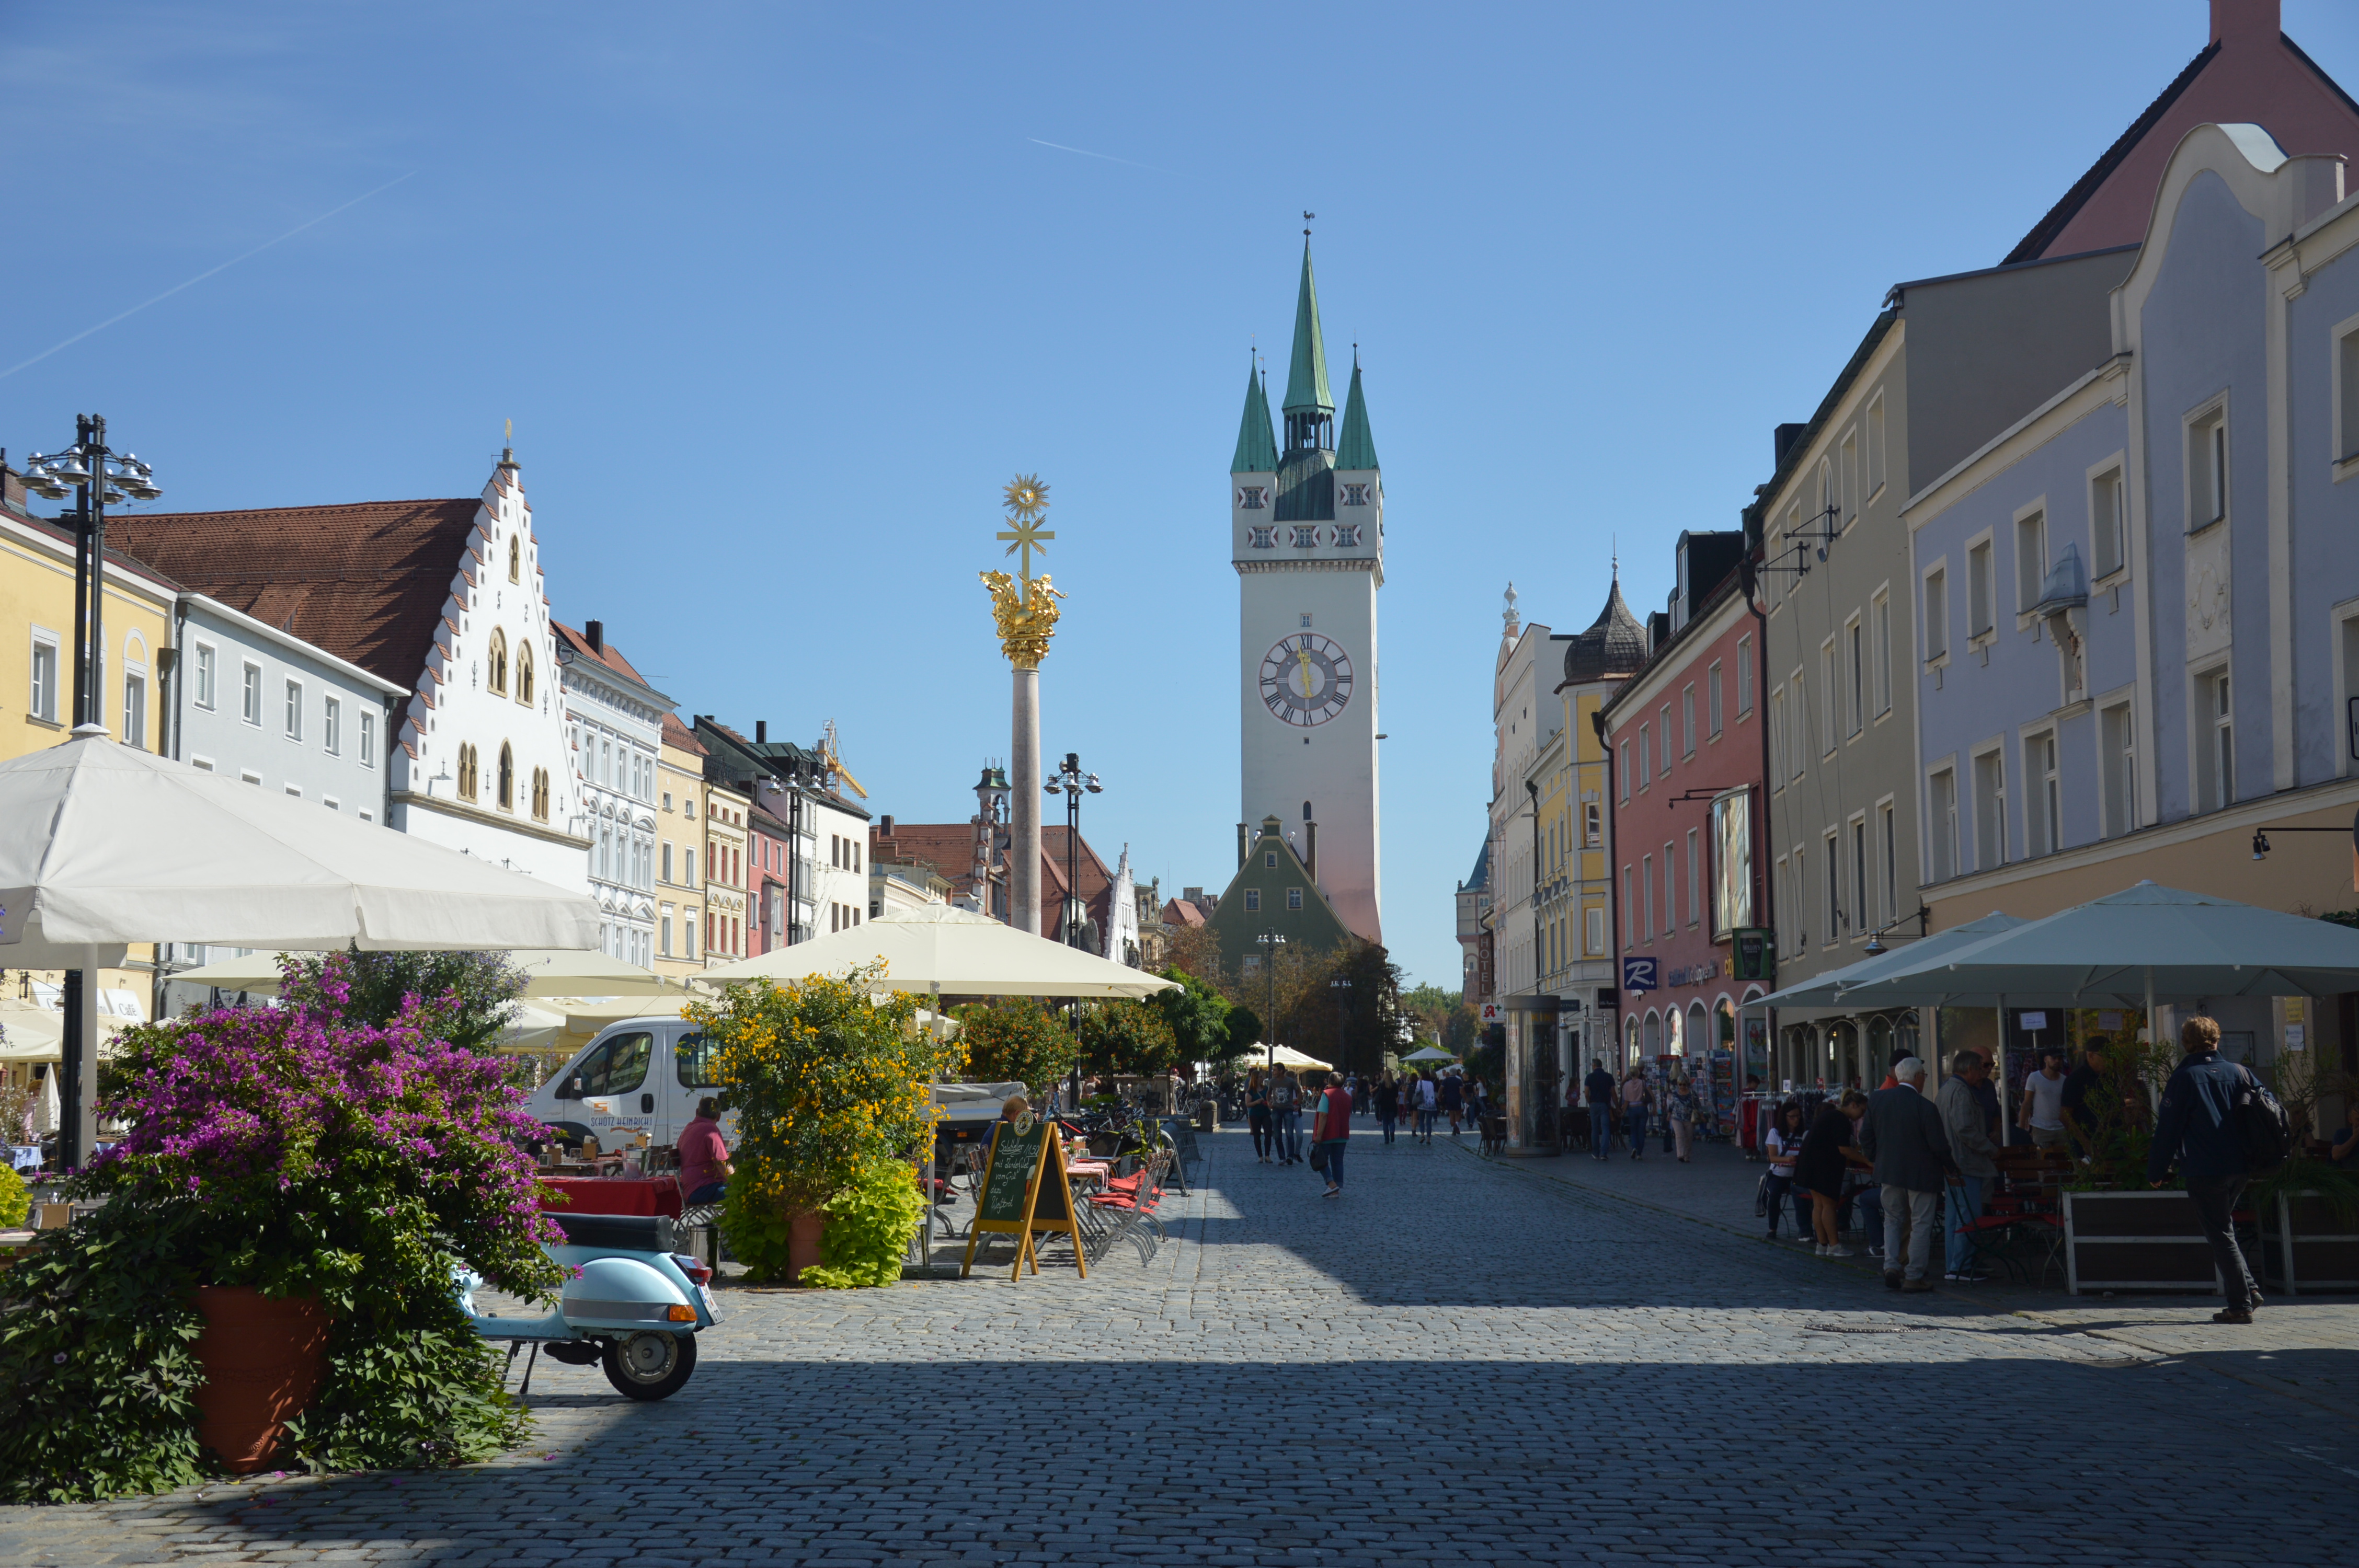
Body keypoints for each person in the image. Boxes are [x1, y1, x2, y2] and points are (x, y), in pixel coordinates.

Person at [2148, 1014, 2262, 1324]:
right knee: (2223, 1228)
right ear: (2217, 1039)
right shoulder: (2241, 1072)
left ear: (2186, 1043)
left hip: (2204, 1167)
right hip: (2240, 1166)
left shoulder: (2185, 1078)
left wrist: (2157, 1170)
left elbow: (2168, 1129)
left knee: (2220, 1233)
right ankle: (2248, 1290)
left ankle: (2240, 1305)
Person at [1861, 1058, 1956, 1292]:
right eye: (1924, 1074)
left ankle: (1891, 1266)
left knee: (1892, 1220)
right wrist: (1951, 1168)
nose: (1925, 1078)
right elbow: (1939, 1145)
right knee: (1921, 1224)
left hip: (1889, 1172)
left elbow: (1866, 1137)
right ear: (1917, 1077)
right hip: (1921, 1174)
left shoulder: (1878, 1100)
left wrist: (1876, 1158)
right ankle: (1914, 1276)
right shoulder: (1924, 1106)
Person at [1939, 1051, 2001, 1283]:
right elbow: (1965, 1129)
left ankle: (1954, 1265)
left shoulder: (1946, 1090)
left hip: (1954, 1163)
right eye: (1979, 1069)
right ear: (1968, 1069)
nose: (1982, 1074)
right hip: (1966, 1163)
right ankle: (1960, 1266)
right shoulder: (1962, 1091)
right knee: (1969, 1217)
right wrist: (1990, 1148)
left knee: (1956, 1217)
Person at [1795, 1090, 1868, 1256]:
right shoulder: (1841, 1119)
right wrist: (1867, 1161)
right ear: (1853, 1105)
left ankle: (1822, 1245)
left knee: (1819, 1205)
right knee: (1829, 1205)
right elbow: (1844, 1149)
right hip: (1824, 1167)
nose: (1861, 1116)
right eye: (1862, 1111)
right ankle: (1834, 1245)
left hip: (1810, 1165)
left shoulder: (1829, 1115)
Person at [1762, 1100, 1807, 1241]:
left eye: (1798, 1116)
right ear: (1785, 1117)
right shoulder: (1775, 1133)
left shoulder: (1804, 1134)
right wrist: (1788, 1160)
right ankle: (1772, 1229)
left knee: (1803, 1196)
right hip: (1779, 1174)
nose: (1796, 1119)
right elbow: (1773, 1158)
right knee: (1774, 1194)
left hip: (1798, 1175)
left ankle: (1805, 1230)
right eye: (1792, 1117)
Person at [678, 1097, 734, 1205]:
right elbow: (723, 1164)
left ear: (697, 1112)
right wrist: (737, 1182)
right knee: (742, 1193)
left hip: (691, 1189)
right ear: (719, 1117)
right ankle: (721, 1222)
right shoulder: (711, 1131)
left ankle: (720, 1222)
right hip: (703, 1188)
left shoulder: (688, 1129)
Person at [2059, 1040, 2110, 1159]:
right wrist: (2086, 1144)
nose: (2110, 1061)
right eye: (2106, 1056)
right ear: (2091, 1056)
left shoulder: (2111, 1077)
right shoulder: (2076, 1079)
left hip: (2112, 1142)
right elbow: (2065, 1116)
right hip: (2088, 1143)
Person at [1312, 1071, 1353, 1197]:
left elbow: (1323, 1115)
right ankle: (1337, 1188)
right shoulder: (1347, 1097)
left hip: (1328, 1134)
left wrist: (1319, 1135)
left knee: (1319, 1160)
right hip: (1342, 1133)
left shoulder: (1327, 1095)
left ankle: (1331, 1184)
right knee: (1338, 1161)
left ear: (1329, 1081)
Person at [2020, 1051, 2070, 1151]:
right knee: (2042, 1160)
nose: (2057, 1061)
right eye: (2054, 1058)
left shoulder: (2065, 1080)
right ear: (2046, 1059)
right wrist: (2021, 1128)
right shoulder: (2034, 1077)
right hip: (2041, 1128)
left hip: (2061, 1128)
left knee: (2063, 1160)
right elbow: (2027, 1103)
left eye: (2059, 1059)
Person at [1585, 1059, 1618, 1161]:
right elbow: (1613, 1093)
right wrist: (1617, 1106)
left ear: (1594, 1065)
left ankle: (1595, 1153)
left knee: (1594, 1129)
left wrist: (1590, 1102)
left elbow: (1586, 1093)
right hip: (1605, 1105)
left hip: (1594, 1104)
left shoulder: (1589, 1077)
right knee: (1606, 1129)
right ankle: (1604, 1153)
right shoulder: (1608, 1077)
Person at [1269, 1068, 1303, 1165]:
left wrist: (1299, 1102)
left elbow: (1301, 1097)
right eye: (1295, 1077)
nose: (1296, 1079)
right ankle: (1289, 1156)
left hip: (1297, 1113)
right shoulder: (1284, 1087)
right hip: (1287, 1112)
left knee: (1300, 1135)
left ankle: (1296, 1153)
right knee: (1289, 1135)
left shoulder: (1297, 1088)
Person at [1666, 1074, 1698, 1163]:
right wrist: (1669, 1114)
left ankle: (1687, 1156)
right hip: (1677, 1118)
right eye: (1680, 1085)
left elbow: (1697, 1105)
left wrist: (1701, 1115)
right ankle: (1680, 1154)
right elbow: (1672, 1105)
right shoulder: (1676, 1094)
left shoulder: (1692, 1094)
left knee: (1689, 1137)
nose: (1682, 1087)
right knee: (1680, 1135)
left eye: (1684, 1085)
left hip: (1689, 1118)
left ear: (1687, 1084)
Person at [1245, 1069, 1275, 1163]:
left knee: (1268, 1134)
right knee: (1257, 1135)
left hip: (1266, 1113)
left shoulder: (1266, 1089)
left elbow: (1270, 1099)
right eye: (1261, 1077)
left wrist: (1270, 1103)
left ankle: (1267, 1155)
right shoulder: (1250, 1091)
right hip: (1255, 1115)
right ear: (1256, 1079)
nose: (1263, 1078)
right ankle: (1260, 1156)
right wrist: (1256, 1102)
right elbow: (1248, 1104)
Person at [1620, 1069, 1649, 1161]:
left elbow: (1626, 1101)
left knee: (1633, 1131)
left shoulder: (1626, 1085)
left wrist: (1624, 1112)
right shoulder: (1643, 1083)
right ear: (1638, 1073)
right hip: (1642, 1107)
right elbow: (1651, 1095)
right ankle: (1639, 1154)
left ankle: (1634, 1147)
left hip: (1632, 1109)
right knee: (1641, 1131)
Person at [1375, 1071, 1400, 1145]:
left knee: (1385, 1123)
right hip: (1392, 1105)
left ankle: (1386, 1139)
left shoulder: (1381, 1084)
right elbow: (1396, 1095)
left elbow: (1379, 1095)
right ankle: (1392, 1132)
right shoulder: (1394, 1084)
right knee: (1392, 1122)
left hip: (1383, 1105)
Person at [1414, 1070, 1439, 1144]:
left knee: (1421, 1121)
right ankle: (1428, 1139)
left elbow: (1417, 1091)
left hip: (1422, 1104)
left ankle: (1422, 1135)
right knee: (1429, 1122)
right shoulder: (1431, 1083)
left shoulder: (1420, 1082)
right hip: (1431, 1104)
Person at [1439, 1069, 1464, 1137]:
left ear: (1450, 1073)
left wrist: (1440, 1097)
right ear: (1456, 1074)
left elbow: (1441, 1089)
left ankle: (1453, 1129)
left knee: (1451, 1115)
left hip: (1448, 1099)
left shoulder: (1446, 1080)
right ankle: (1457, 1125)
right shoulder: (1459, 1081)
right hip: (1457, 1098)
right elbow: (1462, 1090)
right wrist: (1465, 1098)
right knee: (1458, 1113)